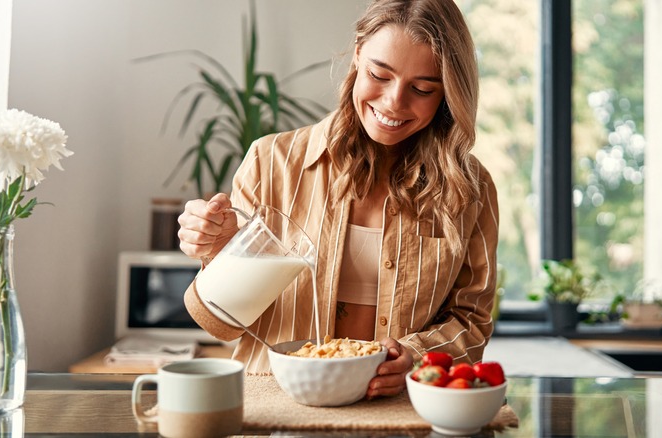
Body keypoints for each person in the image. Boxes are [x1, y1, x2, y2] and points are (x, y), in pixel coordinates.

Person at [178, 0, 499, 399]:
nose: (394, 102)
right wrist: (218, 251)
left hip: (394, 410)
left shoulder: (470, 189)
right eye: (379, 74)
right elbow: (219, 324)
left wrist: (414, 355)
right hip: (274, 403)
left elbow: (472, 321)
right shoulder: (270, 162)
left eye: (422, 89)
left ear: (448, 94)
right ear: (359, 54)